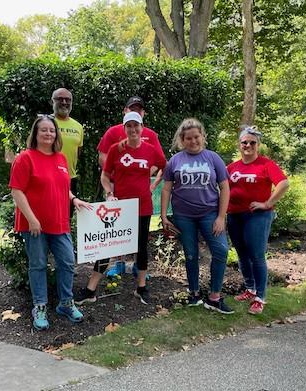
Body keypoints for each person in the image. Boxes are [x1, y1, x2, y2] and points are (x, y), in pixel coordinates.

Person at [9, 115, 92, 330]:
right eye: (43, 130)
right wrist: (32, 219)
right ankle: (40, 306)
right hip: (34, 225)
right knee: (37, 265)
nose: (48, 134)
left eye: (52, 130)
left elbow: (62, 186)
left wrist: (74, 199)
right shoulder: (25, 158)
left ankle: (66, 303)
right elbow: (16, 191)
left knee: (66, 262)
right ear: (35, 134)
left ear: (56, 134)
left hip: (59, 221)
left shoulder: (60, 159)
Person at [75, 112, 166, 305]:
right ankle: (90, 290)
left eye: (136, 125)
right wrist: (109, 193)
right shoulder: (116, 150)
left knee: (141, 247)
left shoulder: (151, 150)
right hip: (119, 208)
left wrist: (153, 185)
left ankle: (141, 288)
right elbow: (105, 176)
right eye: (129, 126)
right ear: (124, 129)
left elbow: (164, 167)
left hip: (142, 207)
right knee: (108, 246)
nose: (133, 129)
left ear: (142, 128)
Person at [160, 118, 233, 314]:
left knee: (220, 251)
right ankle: (194, 293)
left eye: (196, 137)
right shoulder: (175, 160)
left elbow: (225, 188)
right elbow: (166, 189)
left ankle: (214, 297)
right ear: (182, 140)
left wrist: (221, 217)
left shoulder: (213, 158)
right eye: (188, 138)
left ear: (203, 137)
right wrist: (164, 216)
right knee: (191, 254)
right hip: (184, 216)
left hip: (210, 214)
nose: (193, 141)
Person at [96, 96, 165, 277]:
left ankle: (137, 266)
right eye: (131, 108)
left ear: (143, 115)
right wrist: (115, 178)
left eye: (139, 109)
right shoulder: (113, 132)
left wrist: (145, 175)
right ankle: (118, 263)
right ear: (124, 111)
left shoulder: (151, 135)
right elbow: (103, 157)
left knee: (140, 232)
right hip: (115, 188)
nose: (135, 111)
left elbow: (160, 162)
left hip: (140, 191)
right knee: (117, 230)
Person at [226, 126, 289, 315]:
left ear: (258, 145)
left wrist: (267, 203)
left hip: (257, 216)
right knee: (242, 254)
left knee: (256, 255)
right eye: (244, 142)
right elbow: (221, 188)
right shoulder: (232, 167)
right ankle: (250, 289)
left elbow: (284, 183)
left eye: (252, 142)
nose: (248, 145)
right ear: (239, 145)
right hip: (234, 215)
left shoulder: (266, 164)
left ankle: (260, 297)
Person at [51, 88, 84, 217]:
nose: (64, 102)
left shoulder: (78, 126)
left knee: (66, 218)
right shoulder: (46, 123)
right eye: (60, 99)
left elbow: (77, 151)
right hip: (49, 178)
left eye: (68, 100)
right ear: (52, 102)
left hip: (70, 178)